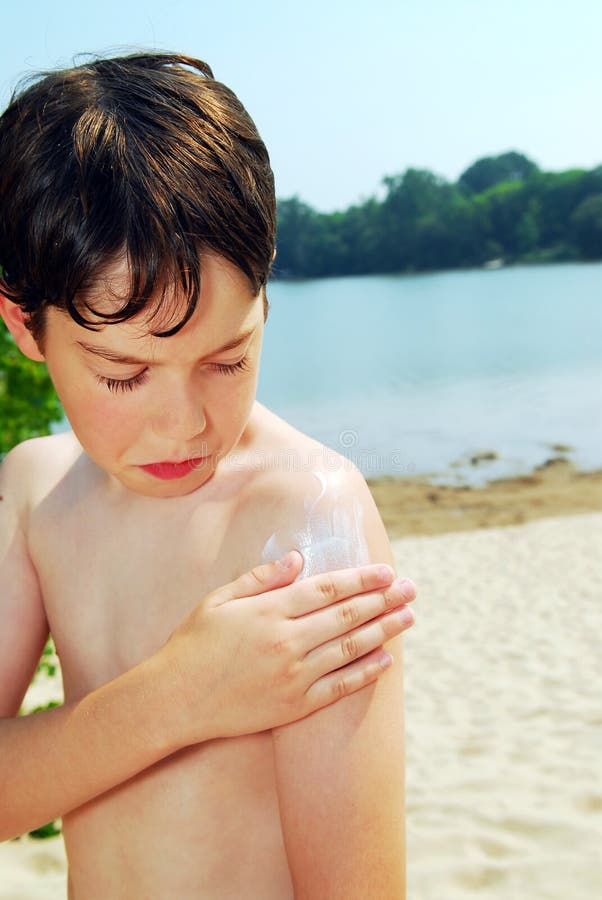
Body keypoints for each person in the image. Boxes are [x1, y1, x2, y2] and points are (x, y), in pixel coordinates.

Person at [0, 52, 417, 899]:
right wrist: (176, 698)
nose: (185, 424)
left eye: (228, 359)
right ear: (24, 327)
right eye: (124, 376)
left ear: (264, 298)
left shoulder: (305, 517)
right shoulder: (35, 493)